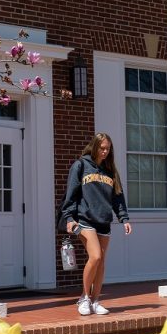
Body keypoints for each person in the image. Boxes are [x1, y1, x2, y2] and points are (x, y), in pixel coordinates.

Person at [59, 133, 132, 316]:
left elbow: (118, 197)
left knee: (101, 263)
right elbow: (71, 194)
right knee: (96, 256)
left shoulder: (110, 171)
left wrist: (123, 218)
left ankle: (96, 300)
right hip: (85, 219)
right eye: (102, 147)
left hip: (104, 221)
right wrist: (69, 218)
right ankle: (84, 297)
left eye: (108, 148)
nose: (105, 151)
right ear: (94, 146)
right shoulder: (80, 165)